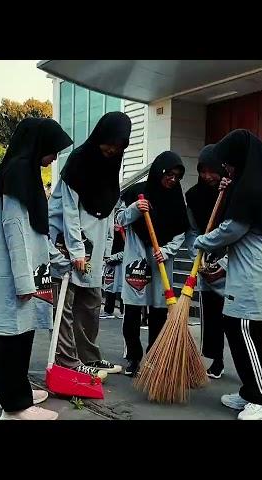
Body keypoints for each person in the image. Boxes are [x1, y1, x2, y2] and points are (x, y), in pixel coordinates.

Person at [193, 129, 262, 421]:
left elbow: (232, 230)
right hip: (254, 269)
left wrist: (202, 241)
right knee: (241, 327)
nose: (227, 169)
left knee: (244, 328)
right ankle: (251, 391)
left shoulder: (252, 189)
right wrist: (229, 185)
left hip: (258, 272)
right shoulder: (249, 184)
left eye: (230, 164)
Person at [0, 117, 73, 421]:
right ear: (39, 144)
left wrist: (61, 261)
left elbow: (36, 232)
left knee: (19, 334)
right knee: (14, 338)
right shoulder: (20, 172)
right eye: (54, 150)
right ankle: (15, 407)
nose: (55, 157)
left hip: (29, 272)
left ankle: (8, 390)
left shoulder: (26, 173)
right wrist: (24, 283)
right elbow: (15, 229)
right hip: (18, 276)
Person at [49, 111, 132, 381]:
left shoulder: (110, 168)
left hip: (93, 249)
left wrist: (104, 252)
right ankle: (68, 362)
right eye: (109, 142)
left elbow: (106, 215)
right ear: (99, 136)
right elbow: (69, 211)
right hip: (69, 244)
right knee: (67, 304)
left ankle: (89, 358)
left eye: (119, 146)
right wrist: (76, 250)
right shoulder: (78, 163)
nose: (112, 149)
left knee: (91, 303)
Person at [117, 151, 189, 377]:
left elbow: (181, 232)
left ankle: (154, 356)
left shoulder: (177, 198)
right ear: (159, 171)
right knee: (132, 310)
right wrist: (134, 210)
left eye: (177, 176)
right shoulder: (135, 193)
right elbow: (118, 220)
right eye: (169, 174)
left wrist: (166, 251)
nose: (172, 180)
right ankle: (134, 357)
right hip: (137, 258)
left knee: (158, 310)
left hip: (160, 260)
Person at [185, 144, 229, 379]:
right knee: (211, 316)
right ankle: (216, 359)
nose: (206, 176)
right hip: (206, 261)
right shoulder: (193, 195)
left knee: (244, 319)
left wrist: (224, 264)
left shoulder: (232, 192)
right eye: (202, 170)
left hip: (233, 263)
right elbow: (192, 231)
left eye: (212, 170)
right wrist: (198, 258)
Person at [101, 222, 125, 319]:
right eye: (115, 223)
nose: (116, 225)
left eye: (118, 223)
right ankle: (108, 310)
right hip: (109, 263)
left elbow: (128, 248)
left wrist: (114, 257)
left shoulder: (124, 233)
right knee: (109, 286)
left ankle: (123, 311)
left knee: (122, 287)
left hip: (121, 262)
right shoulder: (108, 233)